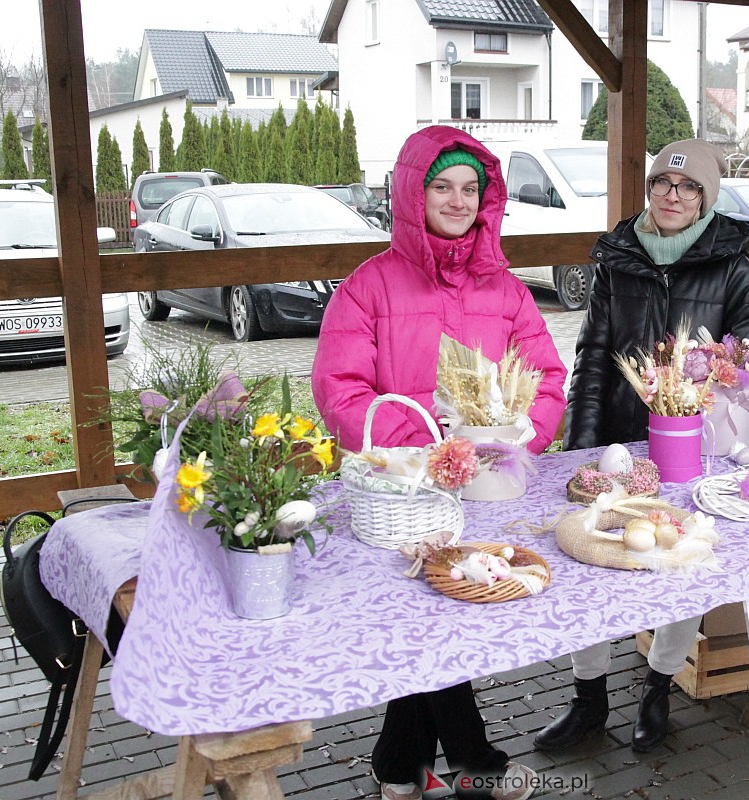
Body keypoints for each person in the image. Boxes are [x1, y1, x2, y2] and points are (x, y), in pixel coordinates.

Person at [312, 125, 567, 800]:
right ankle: (473, 761)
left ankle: (400, 765)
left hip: (485, 492)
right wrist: (434, 445)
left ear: (486, 201)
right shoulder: (368, 287)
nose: (457, 201)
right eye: (441, 186)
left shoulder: (507, 290)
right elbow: (341, 393)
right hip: (406, 498)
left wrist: (514, 436)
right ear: (411, 193)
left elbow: (545, 379)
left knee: (446, 615)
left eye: (470, 189)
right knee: (431, 619)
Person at [535, 139, 749, 754]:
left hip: (696, 448)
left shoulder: (732, 266)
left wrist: (729, 378)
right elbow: (592, 356)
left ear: (706, 197)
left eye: (688, 187)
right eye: (663, 184)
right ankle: (589, 699)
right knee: (590, 566)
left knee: (682, 566)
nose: (672, 195)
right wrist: (581, 444)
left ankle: (658, 688)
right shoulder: (619, 259)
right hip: (618, 441)